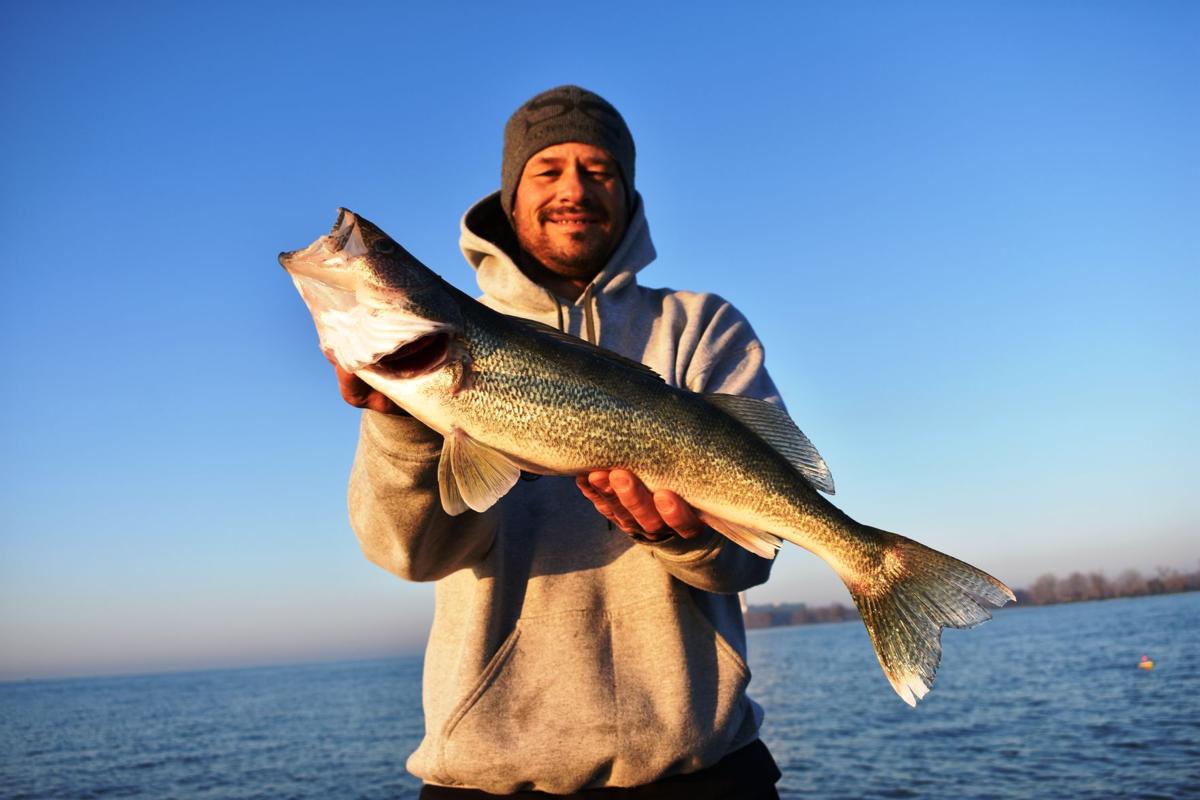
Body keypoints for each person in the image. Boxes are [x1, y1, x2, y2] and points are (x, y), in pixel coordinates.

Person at [334, 85, 785, 798]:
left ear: (630, 196)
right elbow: (410, 554)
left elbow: (750, 556)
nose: (574, 188)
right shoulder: (451, 339)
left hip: (702, 772)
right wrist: (400, 422)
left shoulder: (702, 328)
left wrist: (687, 536)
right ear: (510, 198)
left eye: (599, 170)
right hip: (490, 780)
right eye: (547, 170)